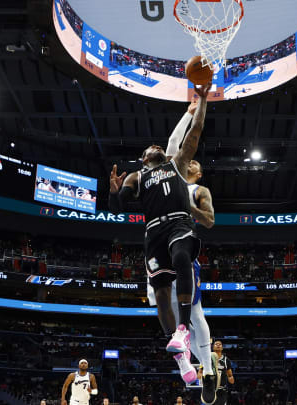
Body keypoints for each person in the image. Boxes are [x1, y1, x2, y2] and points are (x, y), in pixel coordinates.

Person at [108, 82, 217, 404]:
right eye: (150, 148)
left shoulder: (181, 171)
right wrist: (114, 194)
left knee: (195, 313)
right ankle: (182, 357)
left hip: (179, 230)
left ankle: (208, 369)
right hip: (153, 236)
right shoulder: (137, 176)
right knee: (159, 298)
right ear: (143, 158)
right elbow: (118, 208)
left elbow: (187, 138)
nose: (157, 147)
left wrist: (202, 103)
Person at [145, 99, 218, 399]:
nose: (193, 162)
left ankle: (209, 369)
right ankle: (186, 366)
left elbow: (210, 220)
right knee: (167, 312)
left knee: (194, 311)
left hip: (182, 244)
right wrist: (187, 114)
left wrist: (185, 207)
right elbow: (174, 140)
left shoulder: (199, 190)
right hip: (157, 242)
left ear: (197, 172)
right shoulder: (166, 170)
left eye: (196, 163)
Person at [205, 340, 235, 405]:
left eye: (220, 344)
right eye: (216, 344)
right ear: (213, 347)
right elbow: (201, 373)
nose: (218, 345)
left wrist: (231, 379)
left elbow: (230, 375)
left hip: (221, 390)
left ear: (222, 348)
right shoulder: (207, 359)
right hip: (210, 389)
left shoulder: (226, 360)